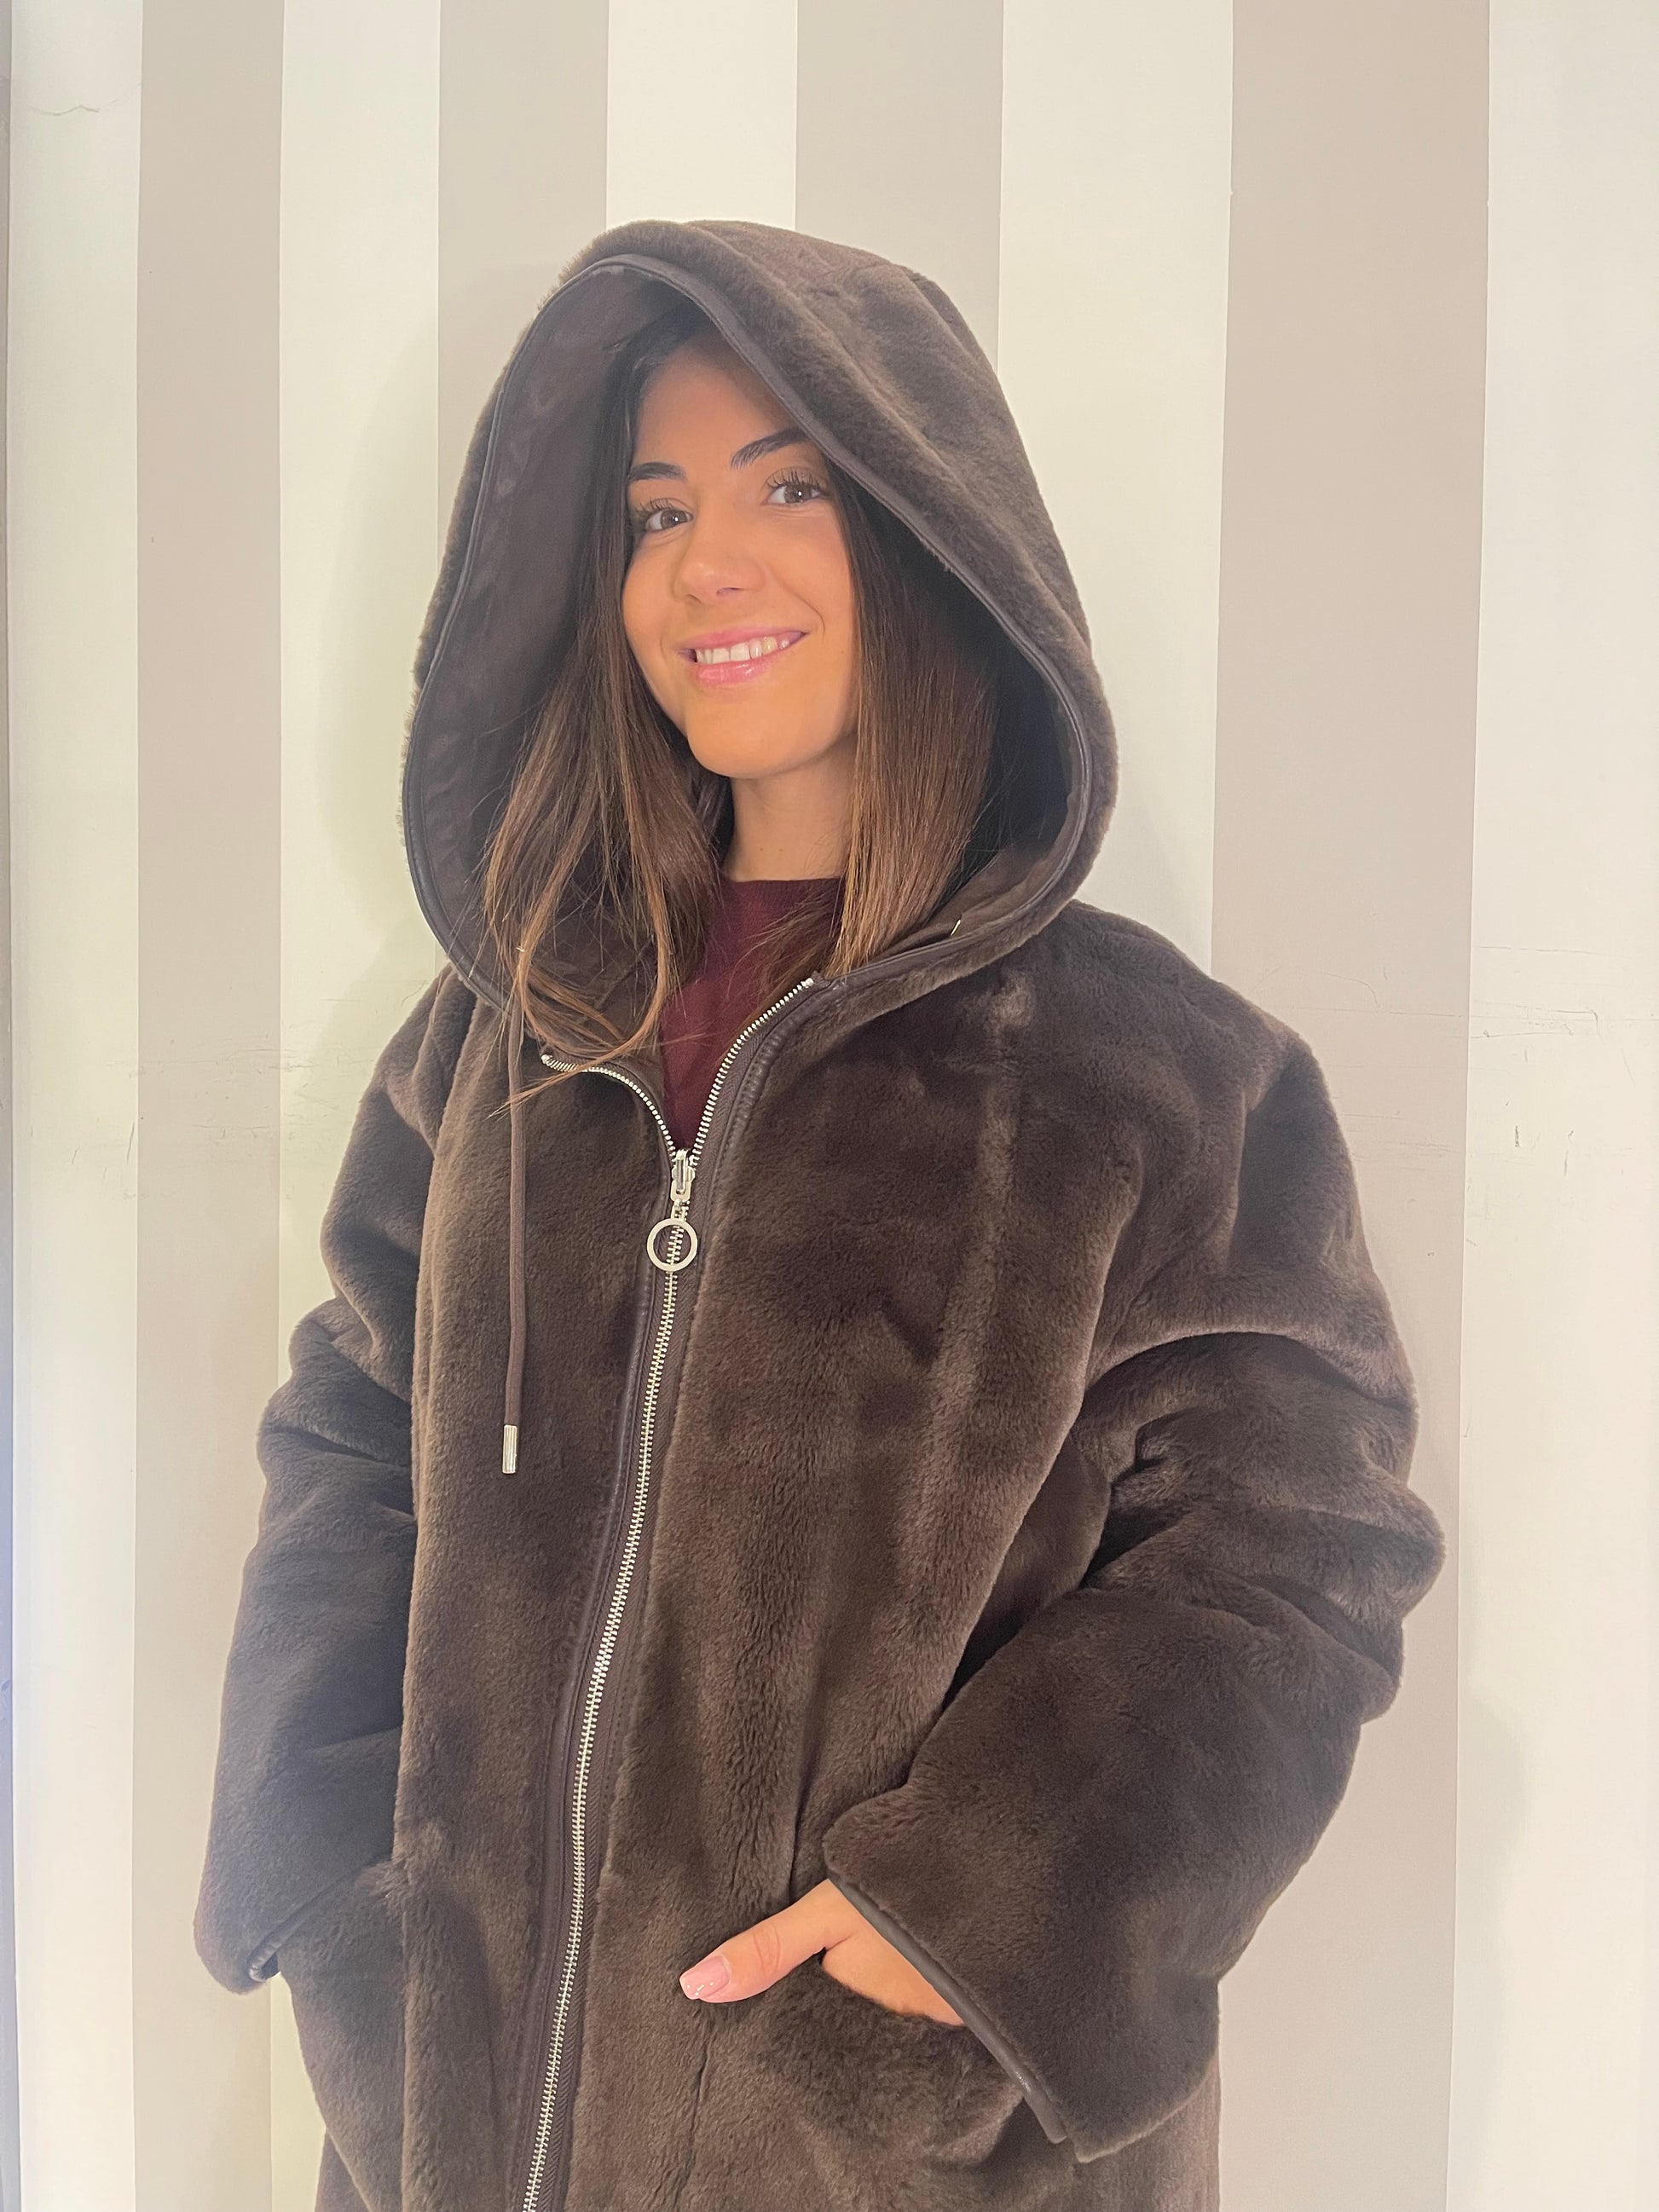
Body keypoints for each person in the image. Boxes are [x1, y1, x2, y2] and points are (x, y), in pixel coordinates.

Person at [195, 219, 1445, 2212]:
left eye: (789, 487)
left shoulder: (1162, 1080)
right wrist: (321, 1861)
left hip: (905, 2150)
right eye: (656, 508)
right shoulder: (505, 1033)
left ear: (931, 537)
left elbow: (1298, 1548)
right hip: (459, 2127)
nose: (708, 563)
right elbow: (352, 1428)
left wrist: (980, 1921)